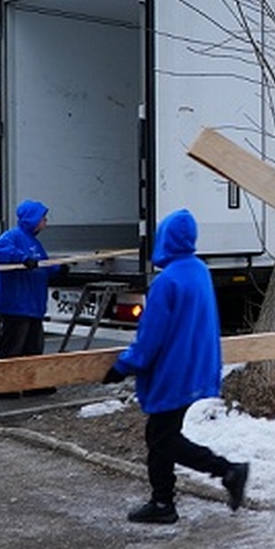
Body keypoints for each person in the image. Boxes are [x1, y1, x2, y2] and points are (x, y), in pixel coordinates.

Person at [101, 209, 249, 524]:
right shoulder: (199, 270)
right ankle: (162, 501)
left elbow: (150, 338)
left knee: (163, 439)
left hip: (173, 372)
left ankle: (227, 471)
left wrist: (122, 367)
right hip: (195, 367)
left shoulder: (167, 282)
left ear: (165, 237)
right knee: (160, 434)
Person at [0, 200, 68, 399]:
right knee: (12, 347)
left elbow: (43, 265)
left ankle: (33, 383)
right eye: (43, 218)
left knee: (33, 346)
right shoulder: (13, 237)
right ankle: (1, 386)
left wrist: (58, 269)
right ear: (33, 219)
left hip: (33, 304)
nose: (46, 222)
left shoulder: (34, 242)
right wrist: (22, 258)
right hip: (16, 304)